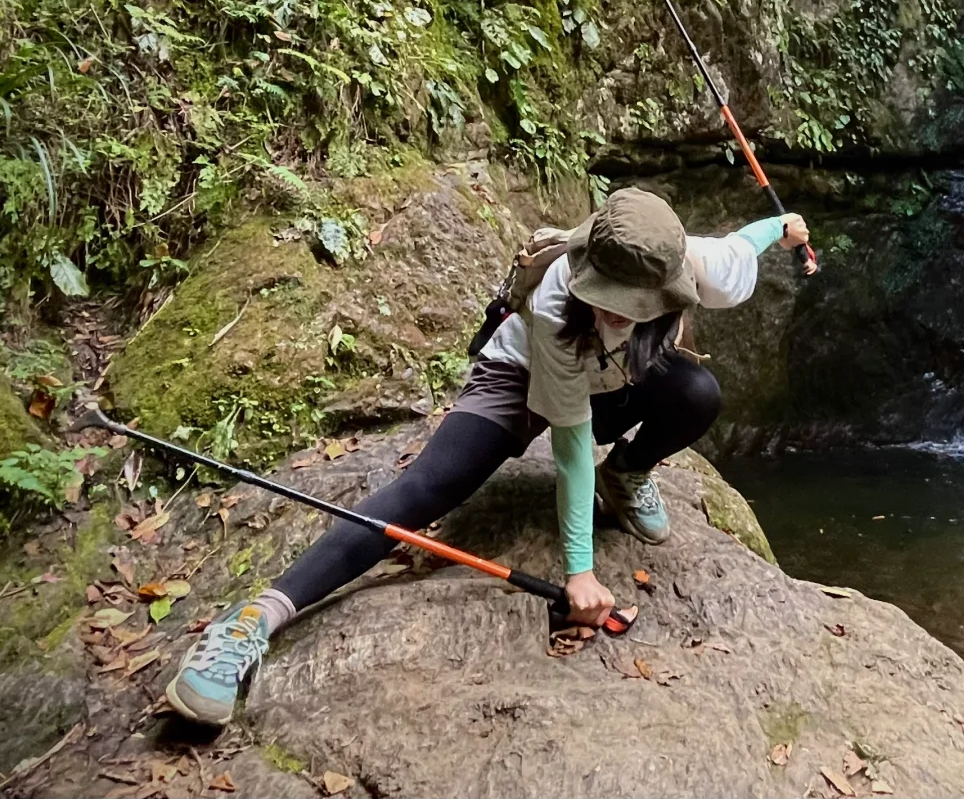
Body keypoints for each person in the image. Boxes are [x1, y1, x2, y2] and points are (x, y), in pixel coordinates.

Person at [164, 187, 812, 725]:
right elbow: (569, 445)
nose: (622, 316)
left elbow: (740, 245)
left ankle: (631, 473)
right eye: (613, 306)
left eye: (638, 308)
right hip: (520, 383)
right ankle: (255, 619)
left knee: (697, 392)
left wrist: (780, 227)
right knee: (426, 489)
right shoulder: (556, 299)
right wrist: (579, 571)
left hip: (617, 381)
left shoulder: (694, 265)